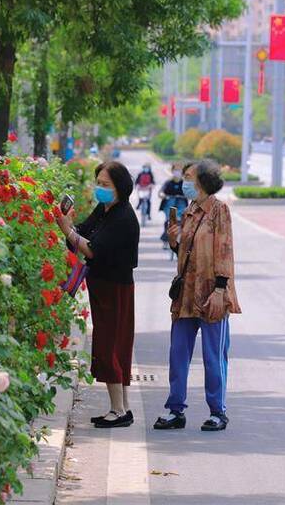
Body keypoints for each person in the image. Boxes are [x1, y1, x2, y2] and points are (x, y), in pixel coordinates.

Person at [154, 159, 241, 432]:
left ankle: (218, 411)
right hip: (186, 293)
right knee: (178, 352)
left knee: (213, 354)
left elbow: (224, 250)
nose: (184, 181)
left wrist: (219, 290)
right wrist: (174, 241)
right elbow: (186, 252)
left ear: (202, 181)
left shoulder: (219, 210)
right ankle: (175, 409)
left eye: (189, 176)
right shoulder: (189, 210)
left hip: (212, 291)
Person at [56, 161, 140, 428]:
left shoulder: (123, 217)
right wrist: (69, 226)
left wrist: (67, 229)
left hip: (115, 288)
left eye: (106, 185)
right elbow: (81, 232)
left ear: (120, 187)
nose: (100, 189)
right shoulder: (105, 210)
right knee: (112, 343)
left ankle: (118, 410)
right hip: (102, 285)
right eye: (98, 183)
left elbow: (92, 249)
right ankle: (121, 408)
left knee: (110, 345)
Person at [158, 163, 187, 248]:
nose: (177, 172)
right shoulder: (168, 182)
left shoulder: (185, 183)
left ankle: (180, 239)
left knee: (180, 221)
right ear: (172, 171)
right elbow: (160, 192)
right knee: (169, 221)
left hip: (181, 204)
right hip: (169, 203)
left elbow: (191, 193)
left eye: (179, 170)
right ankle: (165, 240)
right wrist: (163, 195)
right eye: (176, 170)